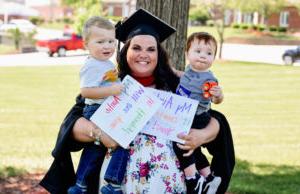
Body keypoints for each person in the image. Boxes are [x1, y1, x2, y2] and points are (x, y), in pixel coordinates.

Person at [40, 8, 235, 194]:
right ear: (126, 52)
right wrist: (100, 134)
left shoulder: (175, 86)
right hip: (115, 184)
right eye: (136, 48)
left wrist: (201, 135)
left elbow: (215, 119)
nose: (144, 54)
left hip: (168, 184)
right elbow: (72, 123)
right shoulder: (109, 85)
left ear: (158, 54)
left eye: (151, 49)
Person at [68, 16, 127, 194]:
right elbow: (86, 91)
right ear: (86, 43)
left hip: (103, 109)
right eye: (100, 41)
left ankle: (80, 185)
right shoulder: (92, 65)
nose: (107, 46)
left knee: (94, 150)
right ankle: (113, 183)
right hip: (97, 110)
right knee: (122, 141)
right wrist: (112, 91)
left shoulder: (105, 63)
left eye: (111, 41)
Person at [173, 32, 223, 194]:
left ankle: (192, 179)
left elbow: (215, 101)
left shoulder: (209, 80)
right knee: (194, 149)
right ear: (187, 54)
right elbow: (183, 77)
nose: (203, 56)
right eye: (198, 51)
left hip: (197, 117)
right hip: (185, 113)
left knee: (181, 143)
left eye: (209, 53)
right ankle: (209, 178)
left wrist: (218, 95)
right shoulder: (189, 70)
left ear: (213, 58)